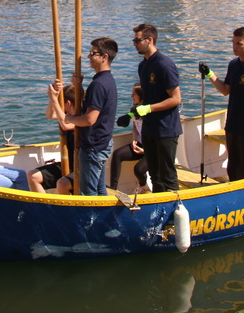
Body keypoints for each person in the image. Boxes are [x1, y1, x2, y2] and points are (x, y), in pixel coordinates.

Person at [46, 37, 119, 196]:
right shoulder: (107, 80)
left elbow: (89, 119)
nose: (89, 57)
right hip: (103, 143)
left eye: (93, 53)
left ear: (104, 57)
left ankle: (90, 221)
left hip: (94, 147)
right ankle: (103, 220)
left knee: (88, 194)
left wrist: (70, 119)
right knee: (99, 190)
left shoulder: (98, 85)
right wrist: (78, 86)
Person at [200, 26, 244, 181]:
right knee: (234, 166)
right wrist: (210, 74)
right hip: (232, 124)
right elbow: (225, 90)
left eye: (239, 44)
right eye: (233, 43)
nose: (234, 47)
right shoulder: (233, 65)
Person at [130, 23, 182, 192]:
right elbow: (147, 96)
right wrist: (135, 111)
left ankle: (175, 210)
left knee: (167, 175)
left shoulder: (164, 64)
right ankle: (158, 210)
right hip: (149, 128)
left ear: (150, 40)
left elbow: (176, 99)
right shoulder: (142, 66)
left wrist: (149, 108)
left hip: (166, 128)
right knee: (154, 174)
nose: (135, 44)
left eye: (138, 40)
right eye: (134, 40)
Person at [108, 83, 149, 193]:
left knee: (138, 169)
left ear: (141, 95)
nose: (131, 96)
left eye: (133, 94)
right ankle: (113, 189)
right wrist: (134, 140)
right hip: (140, 144)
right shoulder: (133, 110)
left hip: (152, 150)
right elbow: (135, 127)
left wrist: (145, 151)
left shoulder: (148, 112)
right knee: (117, 154)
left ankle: (143, 186)